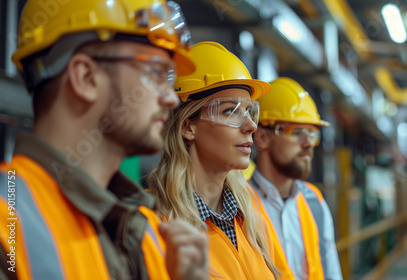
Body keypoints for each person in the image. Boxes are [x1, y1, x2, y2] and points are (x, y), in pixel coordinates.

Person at [0, 1, 208, 279]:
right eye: (156, 73)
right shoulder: (7, 218)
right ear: (86, 77)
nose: (171, 98)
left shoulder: (148, 231)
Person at [147, 41, 295, 280]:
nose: (250, 126)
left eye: (249, 111)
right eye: (230, 110)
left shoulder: (252, 214)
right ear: (188, 127)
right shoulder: (155, 223)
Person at [249, 77, 343, 280]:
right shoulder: (235, 204)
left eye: (312, 133)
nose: (308, 143)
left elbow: (330, 271)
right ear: (262, 137)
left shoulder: (314, 201)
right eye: (297, 132)